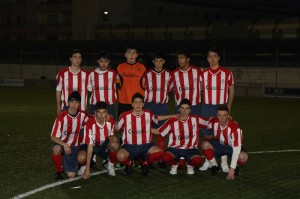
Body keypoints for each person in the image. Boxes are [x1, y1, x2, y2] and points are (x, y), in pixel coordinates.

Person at [116, 93, 174, 175]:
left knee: (159, 153)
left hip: (146, 146)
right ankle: (129, 163)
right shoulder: (125, 115)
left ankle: (145, 162)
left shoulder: (148, 114)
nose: (138, 104)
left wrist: (172, 116)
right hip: (129, 146)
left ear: (143, 104)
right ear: (132, 104)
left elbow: (156, 119)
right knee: (119, 156)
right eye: (136, 102)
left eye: (140, 102)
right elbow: (117, 128)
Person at [199, 47, 235, 173]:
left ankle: (224, 163)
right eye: (210, 56)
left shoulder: (227, 73)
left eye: (215, 56)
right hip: (207, 107)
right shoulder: (203, 74)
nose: (212, 59)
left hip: (221, 107)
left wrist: (228, 107)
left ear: (219, 57)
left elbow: (231, 90)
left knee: (221, 136)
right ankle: (209, 161)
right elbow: (200, 90)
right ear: (207, 58)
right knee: (207, 135)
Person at [152, 98, 209, 175]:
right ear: (179, 109)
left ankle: (189, 164)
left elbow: (209, 122)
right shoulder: (172, 120)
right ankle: (174, 164)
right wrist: (143, 128)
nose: (184, 110)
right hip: (174, 148)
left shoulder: (195, 119)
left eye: (187, 108)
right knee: (165, 158)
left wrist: (225, 120)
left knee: (198, 160)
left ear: (190, 110)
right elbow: (158, 131)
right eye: (182, 108)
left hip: (191, 149)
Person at [201, 104, 248, 180]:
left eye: (224, 115)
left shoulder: (235, 128)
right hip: (219, 145)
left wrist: (232, 169)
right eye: (219, 115)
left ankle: (236, 166)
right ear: (217, 115)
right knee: (205, 144)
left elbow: (236, 149)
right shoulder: (214, 122)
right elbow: (204, 124)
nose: (222, 118)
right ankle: (215, 166)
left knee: (243, 157)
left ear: (228, 115)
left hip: (232, 148)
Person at [50, 91, 89, 180]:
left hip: (75, 147)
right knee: (56, 148)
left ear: (79, 104)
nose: (73, 104)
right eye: (71, 101)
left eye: (76, 102)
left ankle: (76, 164)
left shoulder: (83, 115)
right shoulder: (61, 117)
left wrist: (107, 117)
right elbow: (53, 137)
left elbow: (93, 120)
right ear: (68, 103)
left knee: (71, 175)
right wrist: (64, 144)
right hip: (63, 145)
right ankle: (58, 171)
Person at [142, 51, 171, 161]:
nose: (158, 63)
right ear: (153, 62)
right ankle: (148, 156)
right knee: (148, 131)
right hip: (150, 106)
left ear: (164, 61)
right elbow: (143, 86)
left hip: (163, 106)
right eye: (156, 61)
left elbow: (170, 88)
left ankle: (160, 158)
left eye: (160, 61)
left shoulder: (169, 74)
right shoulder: (147, 74)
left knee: (162, 132)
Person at [80, 101, 119, 179]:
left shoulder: (111, 122)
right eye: (99, 112)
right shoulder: (89, 123)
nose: (101, 115)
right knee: (81, 158)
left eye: (104, 112)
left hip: (102, 146)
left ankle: (110, 164)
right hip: (91, 147)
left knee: (115, 145)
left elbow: (111, 135)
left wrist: (112, 137)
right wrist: (87, 169)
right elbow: (90, 146)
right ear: (95, 112)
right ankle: (84, 166)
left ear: (107, 112)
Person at [116, 45, 147, 117]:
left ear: (137, 55)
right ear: (125, 55)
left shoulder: (142, 68)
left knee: (139, 126)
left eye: (133, 53)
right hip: (124, 101)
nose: (131, 55)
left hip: (138, 102)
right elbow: (116, 84)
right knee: (122, 126)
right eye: (129, 53)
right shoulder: (119, 67)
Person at [170, 48, 202, 115]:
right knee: (179, 125)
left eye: (182, 58)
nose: (179, 60)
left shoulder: (198, 71)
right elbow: (168, 88)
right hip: (180, 106)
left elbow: (204, 85)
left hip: (194, 106)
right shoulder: (173, 73)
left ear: (188, 59)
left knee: (194, 125)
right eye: (178, 58)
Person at [56, 49, 89, 115]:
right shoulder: (62, 73)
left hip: (81, 108)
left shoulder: (87, 74)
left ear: (81, 59)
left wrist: (85, 104)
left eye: (79, 57)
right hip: (66, 107)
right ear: (70, 59)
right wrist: (58, 105)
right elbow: (58, 90)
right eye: (75, 57)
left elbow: (89, 90)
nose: (77, 59)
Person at [88, 52, 118, 119]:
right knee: (92, 125)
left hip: (109, 104)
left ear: (109, 61)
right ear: (97, 61)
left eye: (106, 61)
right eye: (101, 61)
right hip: (95, 104)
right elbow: (89, 88)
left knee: (110, 125)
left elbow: (119, 83)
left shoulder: (113, 73)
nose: (104, 64)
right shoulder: (91, 74)